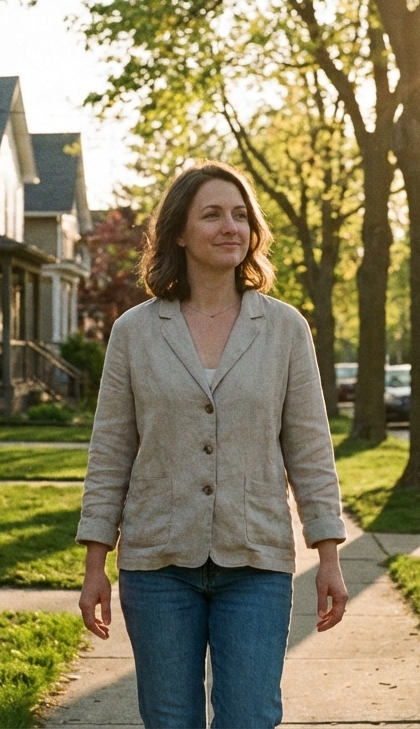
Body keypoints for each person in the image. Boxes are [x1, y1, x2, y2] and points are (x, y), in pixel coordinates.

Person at [76, 161, 350, 729]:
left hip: (256, 562)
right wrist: (95, 562)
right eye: (212, 215)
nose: (231, 227)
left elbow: (310, 449)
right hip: (157, 565)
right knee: (169, 721)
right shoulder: (134, 332)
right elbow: (110, 452)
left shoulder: (285, 329)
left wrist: (329, 556)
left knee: (249, 718)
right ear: (179, 231)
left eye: (240, 215)